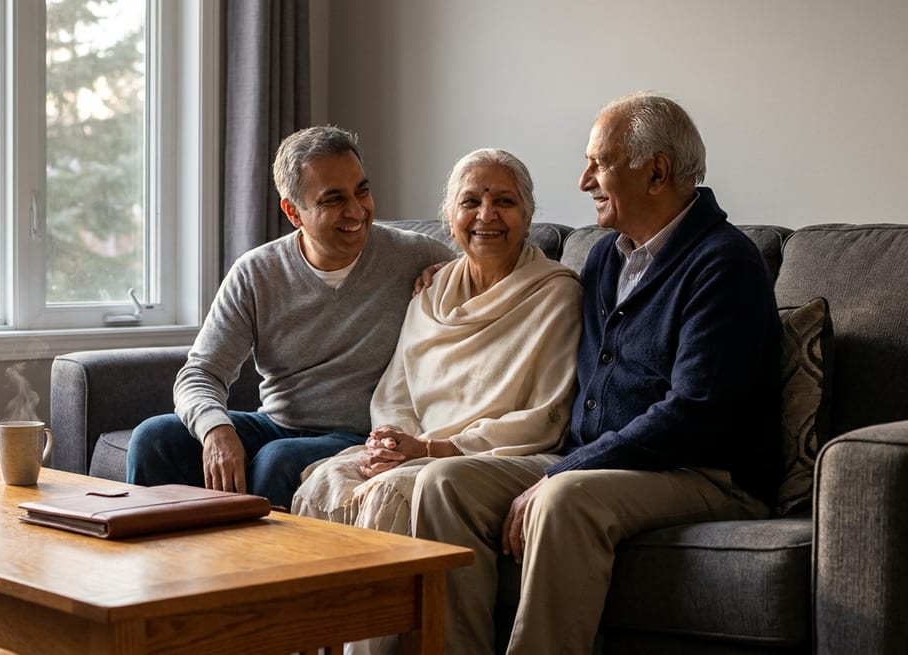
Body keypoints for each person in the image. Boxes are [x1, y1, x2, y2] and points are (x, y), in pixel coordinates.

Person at [411, 92, 783, 654]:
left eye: (600, 163)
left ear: (656, 171)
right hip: (600, 460)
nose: (585, 179)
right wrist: (457, 267)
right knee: (443, 484)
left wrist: (567, 469)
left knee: (564, 500)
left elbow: (697, 412)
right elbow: (526, 289)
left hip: (705, 473)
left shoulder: (724, 263)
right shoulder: (608, 255)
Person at [126, 125, 453, 510]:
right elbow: (201, 373)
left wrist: (451, 278)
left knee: (277, 461)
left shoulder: (417, 256)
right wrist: (216, 428)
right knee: (154, 437)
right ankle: (164, 566)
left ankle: (261, 570)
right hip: (277, 422)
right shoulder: (256, 272)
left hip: (362, 433)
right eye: (334, 199)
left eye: (361, 191)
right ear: (293, 212)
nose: (357, 211)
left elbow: (491, 284)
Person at [291, 148, 581, 539]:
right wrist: (391, 443)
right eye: (471, 202)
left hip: (494, 455)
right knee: (326, 480)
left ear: (528, 219)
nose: (486, 215)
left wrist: (431, 450)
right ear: (450, 217)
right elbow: (396, 392)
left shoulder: (557, 294)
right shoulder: (430, 290)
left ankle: (395, 602)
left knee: (391, 493)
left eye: (505, 202)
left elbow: (545, 417)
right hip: (417, 452)